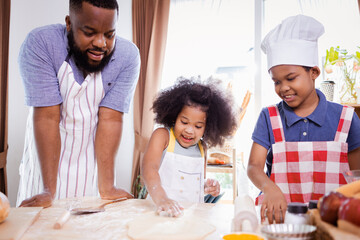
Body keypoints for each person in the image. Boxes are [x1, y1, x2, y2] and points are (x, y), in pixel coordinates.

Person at [17, 0, 140, 207]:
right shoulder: (42, 43)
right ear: (69, 23)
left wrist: (107, 187)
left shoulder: (127, 57)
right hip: (43, 172)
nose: (101, 43)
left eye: (109, 35)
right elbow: (47, 117)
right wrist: (48, 190)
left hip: (93, 175)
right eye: (90, 32)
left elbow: (110, 119)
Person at [247, 15, 360, 224]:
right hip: (281, 224)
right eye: (276, 81)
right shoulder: (269, 117)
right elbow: (254, 166)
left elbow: (357, 177)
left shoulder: (346, 118)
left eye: (291, 78)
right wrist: (269, 188)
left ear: (314, 72)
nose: (283, 88)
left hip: (331, 224)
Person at [141, 78, 238, 217]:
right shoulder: (163, 136)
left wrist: (206, 186)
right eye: (184, 122)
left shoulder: (202, 148)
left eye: (198, 126)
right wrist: (162, 199)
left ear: (208, 126)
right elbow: (149, 169)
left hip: (190, 217)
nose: (189, 130)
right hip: (159, 214)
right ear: (174, 116)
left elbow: (192, 184)